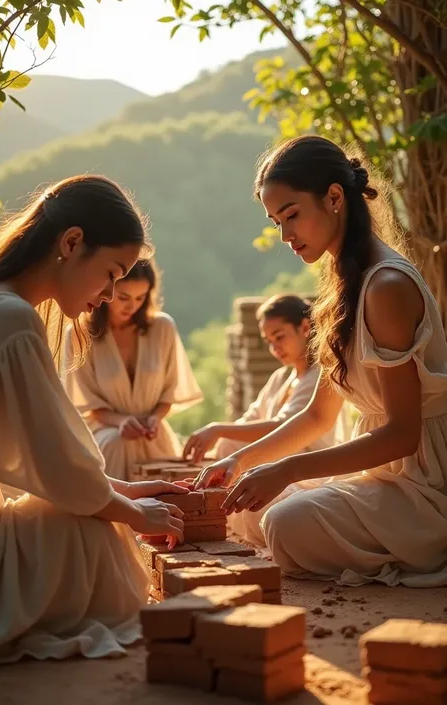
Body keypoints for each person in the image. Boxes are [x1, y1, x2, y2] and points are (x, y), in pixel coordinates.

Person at [196, 135, 447, 587]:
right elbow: (317, 417)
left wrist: (288, 469)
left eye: (291, 215)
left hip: (425, 482)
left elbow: (403, 435)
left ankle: (426, 548)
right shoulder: (345, 287)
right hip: (381, 476)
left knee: (284, 523)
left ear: (334, 197)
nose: (286, 235)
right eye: (276, 222)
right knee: (251, 511)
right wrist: (241, 463)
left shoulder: (386, 286)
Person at [0, 175, 191, 667]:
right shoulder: (9, 317)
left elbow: (55, 463)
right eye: (111, 273)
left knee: (91, 516)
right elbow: (61, 472)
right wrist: (134, 514)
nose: (111, 293)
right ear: (71, 243)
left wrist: (127, 492)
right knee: (96, 535)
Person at [184, 292, 349, 546]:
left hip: (308, 471)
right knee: (228, 446)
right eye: (269, 341)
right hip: (272, 468)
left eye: (280, 337)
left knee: (263, 509)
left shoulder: (320, 376)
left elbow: (282, 426)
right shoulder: (281, 378)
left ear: (305, 328)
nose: (274, 348)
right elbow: (249, 420)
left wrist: (217, 428)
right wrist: (221, 438)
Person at [62, 259, 202, 479]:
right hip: (105, 432)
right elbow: (85, 402)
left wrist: (156, 418)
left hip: (152, 434)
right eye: (124, 297)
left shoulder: (162, 328)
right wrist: (121, 422)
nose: (132, 306)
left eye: (140, 297)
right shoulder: (80, 334)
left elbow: (170, 390)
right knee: (117, 442)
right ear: (106, 291)